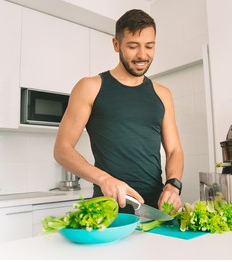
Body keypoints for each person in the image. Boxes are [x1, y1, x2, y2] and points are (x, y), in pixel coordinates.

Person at [54, 9, 184, 213]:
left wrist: (173, 185)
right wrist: (104, 179)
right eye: (133, 46)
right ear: (116, 44)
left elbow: (175, 150)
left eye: (149, 46)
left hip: (155, 211)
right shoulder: (90, 87)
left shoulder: (163, 94)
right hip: (108, 211)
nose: (142, 55)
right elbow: (62, 149)